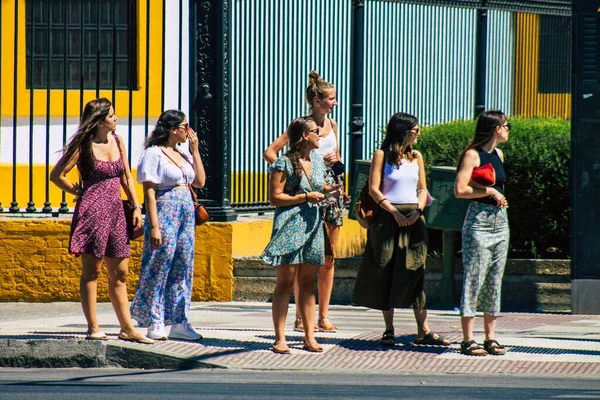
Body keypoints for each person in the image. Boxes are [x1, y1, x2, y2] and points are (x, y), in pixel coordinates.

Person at [50, 98, 154, 344]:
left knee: (121, 272)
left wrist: (137, 207)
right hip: (92, 213)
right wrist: (78, 192)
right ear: (99, 121)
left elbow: (127, 177)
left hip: (117, 212)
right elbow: (57, 175)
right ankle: (93, 326)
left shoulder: (118, 141)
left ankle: (127, 328)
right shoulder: (84, 145)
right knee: (92, 271)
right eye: (112, 115)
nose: (116, 118)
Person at [352, 112, 450, 348]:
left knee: (415, 270)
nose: (418, 134)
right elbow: (375, 190)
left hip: (414, 219)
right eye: (415, 130)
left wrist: (418, 211)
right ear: (403, 131)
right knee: (384, 269)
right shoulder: (381, 155)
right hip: (387, 220)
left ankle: (423, 330)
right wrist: (394, 213)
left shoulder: (416, 157)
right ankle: (388, 329)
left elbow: (423, 189)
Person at [263, 71, 343, 333]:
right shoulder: (302, 126)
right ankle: (299, 317)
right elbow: (271, 152)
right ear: (318, 99)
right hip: (303, 189)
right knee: (296, 267)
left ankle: (323, 315)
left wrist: (333, 163)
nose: (335, 102)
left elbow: (337, 157)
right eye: (331, 98)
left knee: (327, 256)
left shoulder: (333, 125)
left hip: (326, 187)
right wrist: (290, 172)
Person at [130, 110, 206, 341]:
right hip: (165, 211)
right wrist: (154, 225)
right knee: (159, 264)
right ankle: (155, 319)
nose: (189, 130)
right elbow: (149, 192)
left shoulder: (183, 153)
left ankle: (179, 321)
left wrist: (195, 151)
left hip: (185, 213)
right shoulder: (154, 154)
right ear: (173, 130)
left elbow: (200, 182)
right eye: (185, 126)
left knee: (183, 264)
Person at [454, 110, 510, 356]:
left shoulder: (499, 154)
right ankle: (468, 339)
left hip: (500, 222)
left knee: (495, 278)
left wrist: (495, 192)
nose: (508, 129)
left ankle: (491, 337)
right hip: (478, 221)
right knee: (474, 277)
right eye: (506, 125)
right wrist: (489, 192)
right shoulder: (472, 154)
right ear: (496, 128)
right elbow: (460, 190)